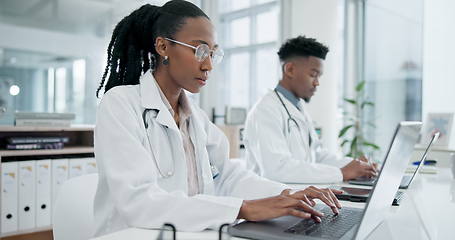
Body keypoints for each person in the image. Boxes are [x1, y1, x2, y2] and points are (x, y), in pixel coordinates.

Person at [93, 1, 342, 237]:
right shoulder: (120, 105)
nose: (209, 65)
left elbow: (228, 175)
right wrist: (242, 209)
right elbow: (138, 202)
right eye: (200, 50)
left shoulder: (195, 118)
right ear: (163, 47)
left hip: (191, 233)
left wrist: (289, 194)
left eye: (213, 53)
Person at [244, 36, 377, 184]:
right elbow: (277, 169)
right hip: (269, 200)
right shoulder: (265, 110)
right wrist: (341, 173)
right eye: (313, 75)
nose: (317, 83)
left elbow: (317, 156)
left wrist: (355, 165)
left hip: (298, 196)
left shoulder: (297, 107)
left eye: (319, 76)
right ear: (290, 69)